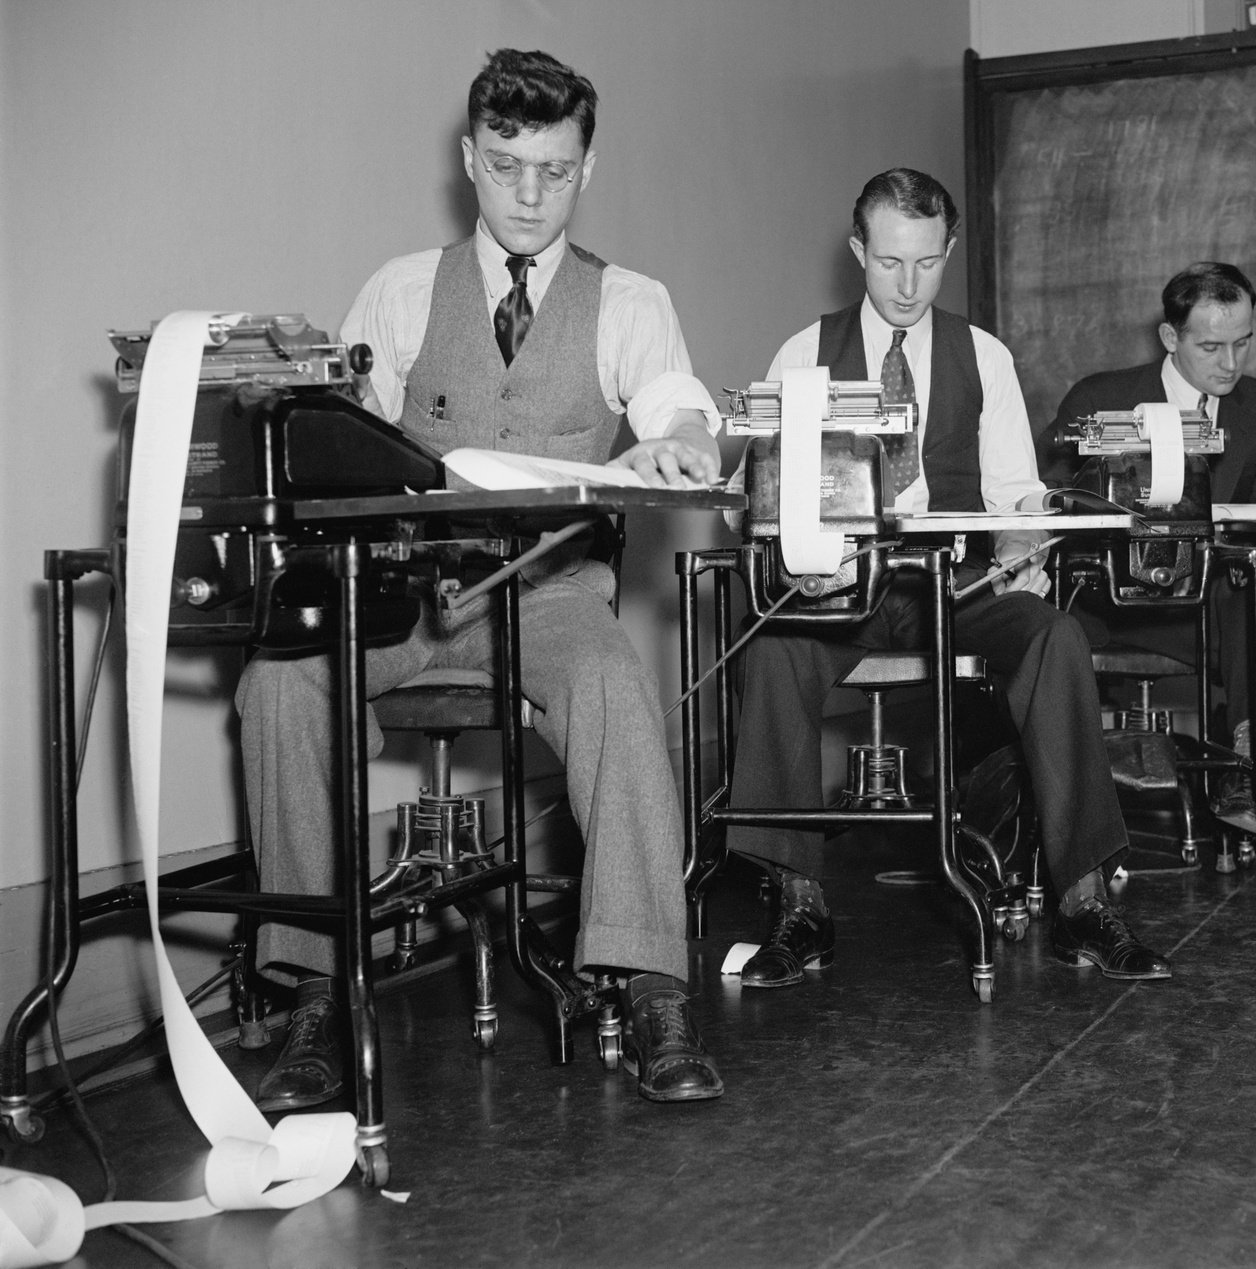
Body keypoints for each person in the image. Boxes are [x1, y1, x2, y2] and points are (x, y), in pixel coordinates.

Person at [236, 48, 725, 1108]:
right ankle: (318, 994)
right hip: (404, 601)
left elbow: (678, 404)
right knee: (277, 686)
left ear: (587, 167)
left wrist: (677, 443)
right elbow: (337, 449)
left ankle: (648, 983)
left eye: (554, 168)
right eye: (507, 165)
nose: (530, 194)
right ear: (470, 159)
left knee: (615, 686)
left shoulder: (630, 302)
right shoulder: (402, 293)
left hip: (548, 596)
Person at [726, 168, 1172, 990]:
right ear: (859, 249)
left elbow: (1012, 493)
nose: (907, 284)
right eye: (890, 260)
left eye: (927, 263)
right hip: (848, 587)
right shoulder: (803, 354)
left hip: (957, 582)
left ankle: (1081, 902)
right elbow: (761, 493)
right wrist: (787, 536)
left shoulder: (983, 356)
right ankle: (799, 907)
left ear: (949, 251)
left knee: (1053, 636)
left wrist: (1038, 528)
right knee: (773, 649)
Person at [1038, 261, 1256, 891]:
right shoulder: (1098, 399)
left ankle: (1247, 762)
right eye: (1211, 346)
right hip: (1116, 600)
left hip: (1213, 599)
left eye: (1243, 341)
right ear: (1171, 339)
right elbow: (1051, 509)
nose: (1230, 363)